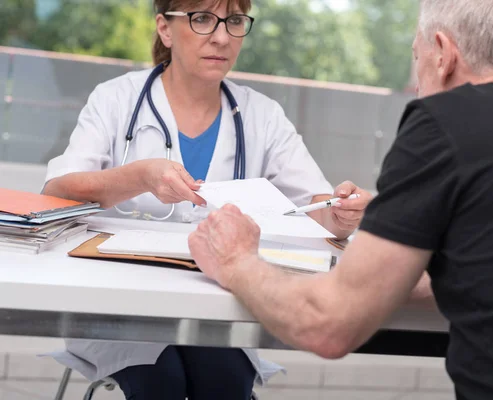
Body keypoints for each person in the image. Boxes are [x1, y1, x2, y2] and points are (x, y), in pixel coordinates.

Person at [188, 0, 493, 399]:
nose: (417, 82)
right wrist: (409, 226)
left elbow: (327, 324)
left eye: (415, 56)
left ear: (443, 53)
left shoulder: (445, 122)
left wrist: (236, 260)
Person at [42, 0, 372, 398]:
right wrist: (139, 176)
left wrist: (341, 214)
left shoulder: (260, 115)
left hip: (214, 304)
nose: (221, 36)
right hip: (123, 303)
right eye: (201, 19)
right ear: (165, 29)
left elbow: (316, 204)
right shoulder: (116, 99)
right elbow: (56, 192)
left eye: (233, 21)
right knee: (161, 385)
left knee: (225, 384)